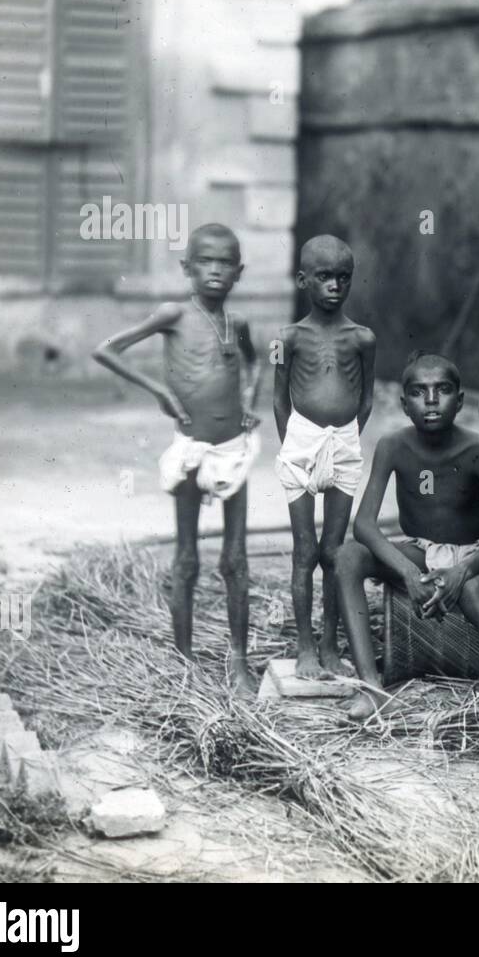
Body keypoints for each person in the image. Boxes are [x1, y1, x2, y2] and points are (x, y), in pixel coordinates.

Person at [93, 223, 262, 694]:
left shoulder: (239, 323)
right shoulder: (174, 314)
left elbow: (255, 362)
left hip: (233, 451)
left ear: (238, 272)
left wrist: (249, 400)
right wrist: (161, 391)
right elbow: (105, 349)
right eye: (205, 261)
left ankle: (239, 663)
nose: (215, 270)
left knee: (236, 558)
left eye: (225, 262)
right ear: (187, 267)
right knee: (186, 556)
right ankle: (183, 664)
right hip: (190, 448)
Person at [337, 351, 479, 725]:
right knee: (349, 557)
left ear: (460, 400)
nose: (431, 401)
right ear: (404, 404)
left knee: (471, 591)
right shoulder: (393, 446)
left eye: (442, 390)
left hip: (473, 558)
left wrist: (461, 571)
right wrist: (407, 570)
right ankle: (372, 688)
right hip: (421, 552)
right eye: (419, 392)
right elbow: (364, 524)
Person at [273, 235, 375, 679]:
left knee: (334, 551)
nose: (335, 285)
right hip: (300, 441)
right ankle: (304, 646)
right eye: (324, 276)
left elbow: (366, 398)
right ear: (302, 280)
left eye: (343, 277)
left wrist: (344, 441)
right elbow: (279, 400)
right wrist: (294, 444)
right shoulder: (287, 337)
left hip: (345, 442)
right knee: (305, 551)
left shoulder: (363, 338)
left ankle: (332, 643)